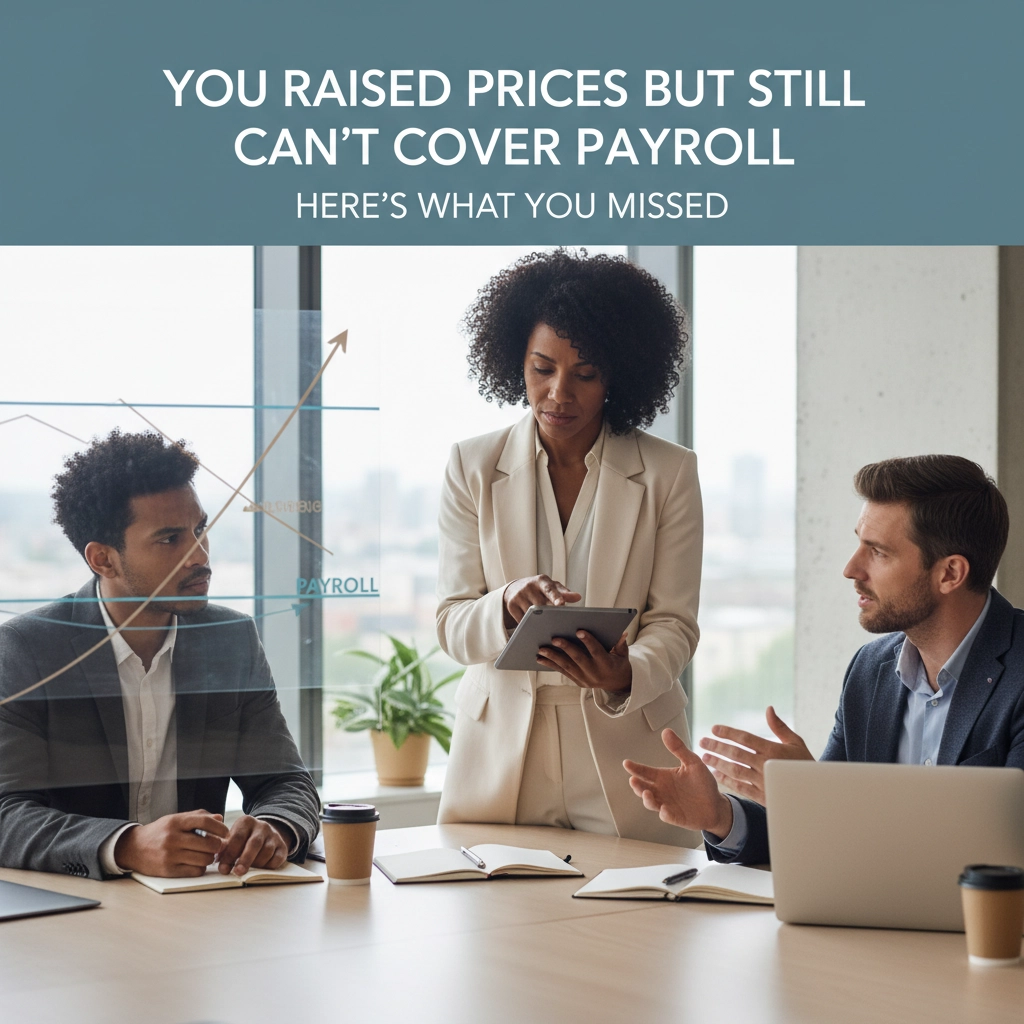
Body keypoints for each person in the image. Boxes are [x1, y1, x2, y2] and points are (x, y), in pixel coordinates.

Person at [624, 454, 1024, 863]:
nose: (852, 568)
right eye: (859, 544)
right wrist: (722, 815)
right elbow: (819, 832)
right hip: (868, 922)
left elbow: (1006, 848)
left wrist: (818, 792)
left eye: (879, 552)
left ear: (950, 574)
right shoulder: (871, 671)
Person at [435, 249, 704, 846]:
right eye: (541, 368)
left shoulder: (670, 474)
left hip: (627, 744)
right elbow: (452, 623)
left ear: (619, 374)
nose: (559, 393)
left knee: (641, 929)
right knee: (495, 931)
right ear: (515, 362)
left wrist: (623, 674)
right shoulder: (471, 466)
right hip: (501, 752)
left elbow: (676, 623)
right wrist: (505, 603)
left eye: (585, 374)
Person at [0, 430, 321, 879]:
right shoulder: (27, 650)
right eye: (170, 539)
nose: (199, 554)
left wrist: (277, 828)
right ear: (103, 560)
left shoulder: (230, 640)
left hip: (196, 909)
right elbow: (6, 813)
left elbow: (285, 781)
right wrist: (127, 844)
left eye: (200, 528)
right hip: (73, 908)